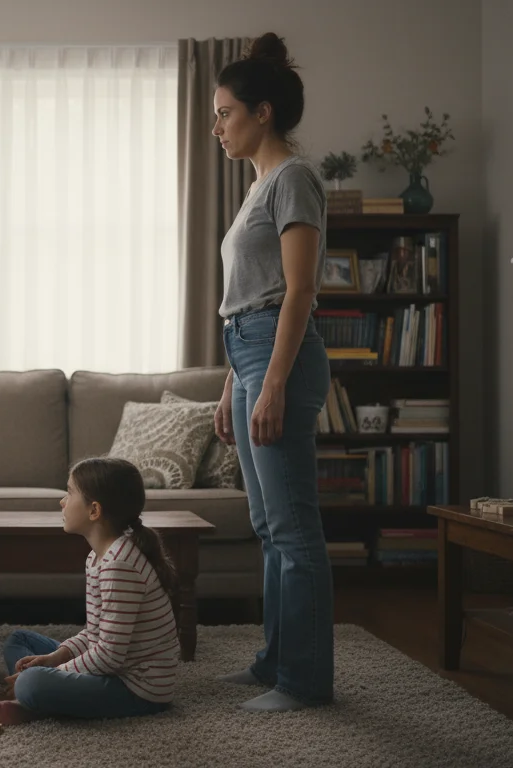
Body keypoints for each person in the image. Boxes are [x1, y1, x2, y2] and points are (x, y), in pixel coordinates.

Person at [210, 33, 334, 712]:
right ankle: (275, 661)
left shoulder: (295, 178)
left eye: (225, 113)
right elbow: (246, 296)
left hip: (278, 352)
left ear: (261, 111)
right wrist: (234, 383)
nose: (218, 127)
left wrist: (276, 380)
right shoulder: (260, 185)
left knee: (293, 529)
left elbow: (297, 291)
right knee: (268, 527)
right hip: (249, 351)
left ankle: (305, 681)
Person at [0, 457, 179, 725]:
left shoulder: (120, 564)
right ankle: (41, 699)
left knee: (32, 680)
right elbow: (95, 634)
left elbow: (110, 657)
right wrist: (55, 657)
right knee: (19, 641)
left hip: (137, 688)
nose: (62, 502)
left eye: (69, 492)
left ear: (94, 510)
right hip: (110, 668)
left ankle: (35, 701)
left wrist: (52, 670)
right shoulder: (97, 557)